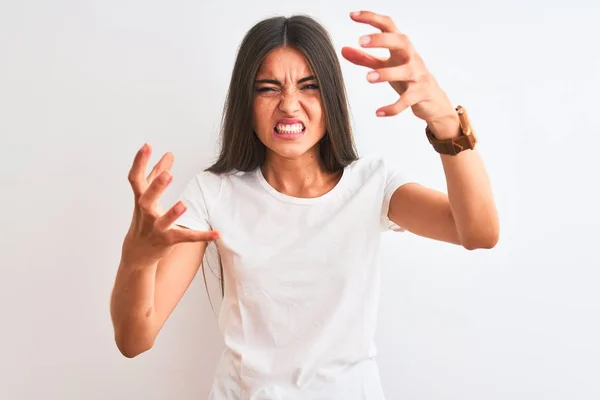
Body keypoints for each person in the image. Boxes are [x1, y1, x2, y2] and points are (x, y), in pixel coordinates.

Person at [110, 10, 499, 399]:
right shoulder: (213, 193)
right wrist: (136, 259)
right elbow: (135, 339)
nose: (290, 105)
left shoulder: (372, 183)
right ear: (246, 101)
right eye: (268, 88)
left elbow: (478, 233)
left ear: (331, 96)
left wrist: (446, 121)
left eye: (309, 86)